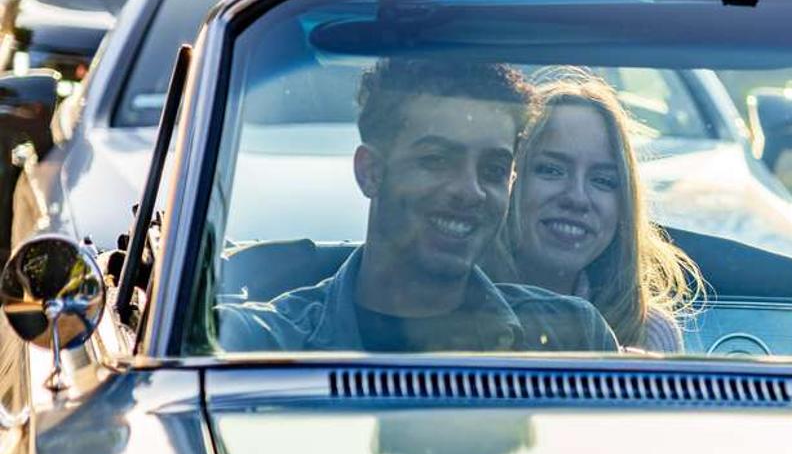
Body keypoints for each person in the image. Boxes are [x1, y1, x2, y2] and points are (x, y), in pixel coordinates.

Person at [215, 58, 618, 353]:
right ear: (370, 172)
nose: (470, 191)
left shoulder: (572, 335)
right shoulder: (261, 344)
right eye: (436, 160)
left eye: (493, 169)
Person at [484, 70, 699, 352]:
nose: (577, 198)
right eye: (551, 170)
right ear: (509, 179)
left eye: (603, 181)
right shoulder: (454, 307)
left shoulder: (648, 332)